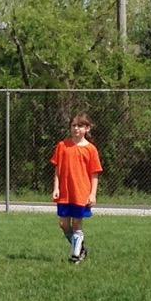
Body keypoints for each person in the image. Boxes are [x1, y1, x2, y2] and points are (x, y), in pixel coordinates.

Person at [50, 113, 102, 263]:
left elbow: (94, 174)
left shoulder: (91, 149)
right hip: (65, 193)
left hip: (81, 193)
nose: (76, 129)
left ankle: (75, 256)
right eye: (74, 125)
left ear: (87, 128)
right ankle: (81, 248)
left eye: (80, 126)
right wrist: (56, 187)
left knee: (77, 224)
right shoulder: (62, 146)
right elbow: (58, 170)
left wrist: (92, 194)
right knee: (64, 224)